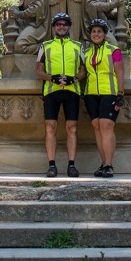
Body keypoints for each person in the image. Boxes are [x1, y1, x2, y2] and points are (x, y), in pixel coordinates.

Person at [36, 12, 85, 177]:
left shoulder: (78, 46)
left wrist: (75, 78)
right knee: (51, 127)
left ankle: (71, 164)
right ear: (54, 27)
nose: (61, 27)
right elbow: (38, 70)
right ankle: (51, 165)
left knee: (72, 128)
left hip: (72, 91)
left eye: (64, 24)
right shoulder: (45, 45)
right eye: (58, 24)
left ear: (69, 27)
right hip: (51, 91)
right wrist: (52, 78)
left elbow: (84, 70)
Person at [83, 18, 125, 178]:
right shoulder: (86, 53)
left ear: (105, 34)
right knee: (97, 128)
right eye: (93, 31)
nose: (96, 34)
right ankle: (103, 163)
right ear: (90, 34)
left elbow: (120, 72)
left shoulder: (114, 50)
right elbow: (83, 73)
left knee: (106, 126)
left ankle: (109, 164)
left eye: (99, 31)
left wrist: (121, 94)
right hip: (91, 93)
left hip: (109, 92)